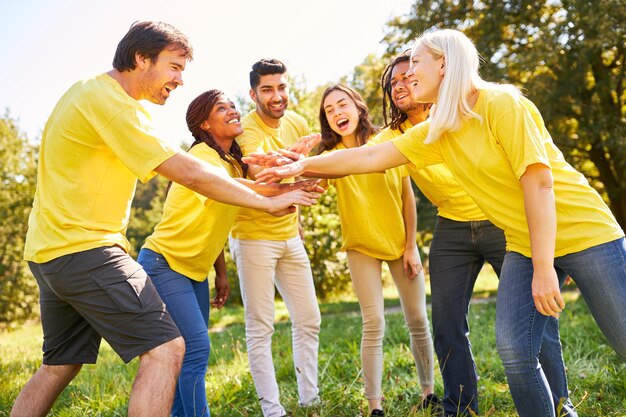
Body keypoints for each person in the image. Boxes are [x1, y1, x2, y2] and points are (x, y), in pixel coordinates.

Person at [248, 29, 626, 417]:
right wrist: (301, 165)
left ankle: (564, 403)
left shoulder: (501, 104)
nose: (408, 74)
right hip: (525, 242)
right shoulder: (437, 129)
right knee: (514, 350)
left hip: (584, 233)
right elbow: (366, 158)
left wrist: (544, 268)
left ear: (443, 64)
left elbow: (539, 182)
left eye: (416, 63)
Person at [12, 22, 319, 417]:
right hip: (85, 249)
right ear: (142, 58)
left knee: (59, 364)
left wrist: (276, 190)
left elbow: (226, 182)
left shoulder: (89, 92)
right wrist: (269, 203)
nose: (180, 79)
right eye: (174, 67)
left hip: (48, 250)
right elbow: (191, 173)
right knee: (168, 348)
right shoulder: (113, 104)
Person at [373, 52, 574, 416]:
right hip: (451, 228)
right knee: (447, 322)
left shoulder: (457, 111)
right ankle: (460, 407)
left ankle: (560, 402)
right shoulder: (396, 135)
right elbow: (355, 157)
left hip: (500, 221)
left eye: (408, 76)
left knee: (536, 317)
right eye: (393, 82)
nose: (400, 85)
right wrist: (305, 162)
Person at [136, 90, 324, 417]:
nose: (233, 111)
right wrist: (282, 192)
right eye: (221, 108)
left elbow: (217, 217)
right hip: (163, 264)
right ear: (204, 123)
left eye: (233, 106)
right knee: (195, 350)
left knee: (183, 356)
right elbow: (243, 190)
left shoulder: (230, 165)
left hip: (194, 272)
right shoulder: (201, 158)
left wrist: (220, 273)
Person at [317, 85, 435, 417]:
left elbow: (406, 196)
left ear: (357, 106)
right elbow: (309, 182)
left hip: (400, 244)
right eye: (329, 110)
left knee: (418, 320)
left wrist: (411, 246)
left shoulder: (387, 142)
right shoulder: (332, 156)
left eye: (342, 104)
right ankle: (375, 406)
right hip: (361, 246)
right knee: (374, 322)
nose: (338, 113)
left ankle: (428, 392)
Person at [229, 58, 322, 417]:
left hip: (289, 236)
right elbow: (259, 175)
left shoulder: (297, 122)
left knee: (309, 318)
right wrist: (295, 159)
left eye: (281, 87)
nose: (277, 95)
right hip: (253, 237)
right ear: (253, 93)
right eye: (267, 89)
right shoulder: (247, 129)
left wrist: (302, 163)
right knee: (260, 325)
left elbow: (309, 174)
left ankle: (309, 399)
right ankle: (272, 410)